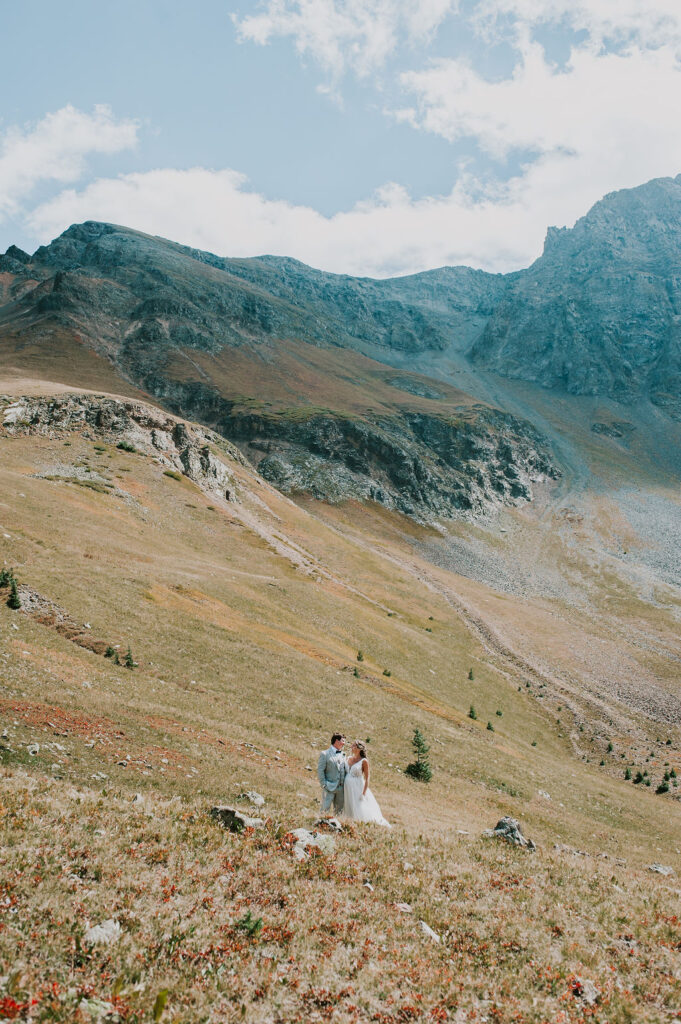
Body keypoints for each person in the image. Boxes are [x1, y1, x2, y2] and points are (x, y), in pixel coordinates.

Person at [343, 740, 390, 826]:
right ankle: (349, 822)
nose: (351, 747)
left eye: (353, 746)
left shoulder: (364, 761)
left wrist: (364, 792)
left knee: (359, 805)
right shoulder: (348, 758)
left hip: (358, 786)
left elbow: (367, 777)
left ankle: (361, 823)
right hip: (347, 787)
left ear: (359, 748)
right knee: (349, 804)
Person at [317, 733, 347, 817]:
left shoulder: (343, 754)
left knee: (339, 812)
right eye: (343, 741)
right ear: (336, 741)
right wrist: (324, 784)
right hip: (329, 787)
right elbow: (320, 770)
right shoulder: (325, 754)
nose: (344, 743)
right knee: (324, 810)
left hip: (341, 789)